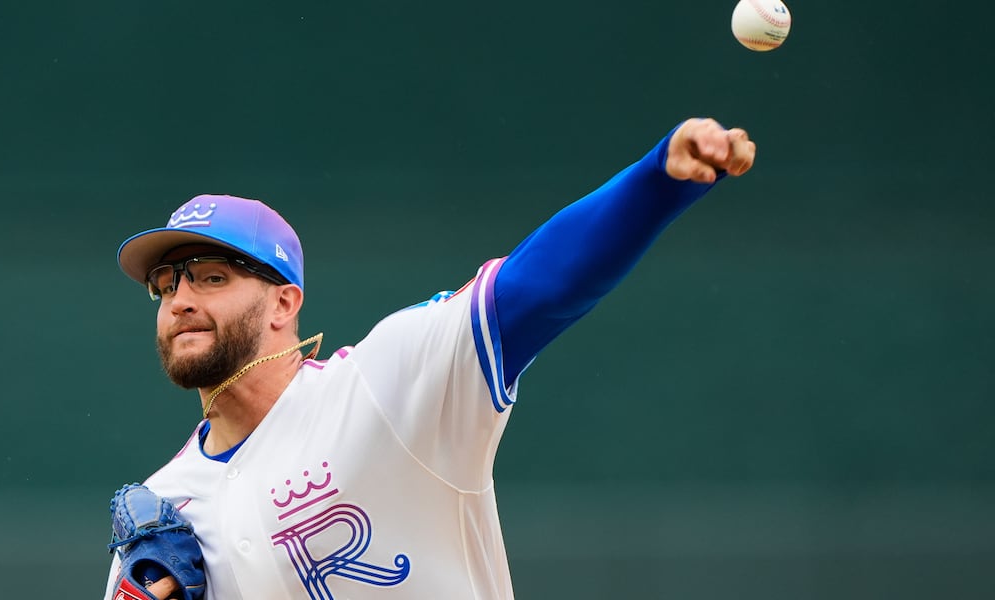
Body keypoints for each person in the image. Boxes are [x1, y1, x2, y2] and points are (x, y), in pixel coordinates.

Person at [104, 117, 756, 599]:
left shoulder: (382, 386)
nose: (180, 300)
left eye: (210, 277)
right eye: (165, 285)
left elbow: (536, 288)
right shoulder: (165, 512)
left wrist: (655, 184)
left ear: (283, 303)